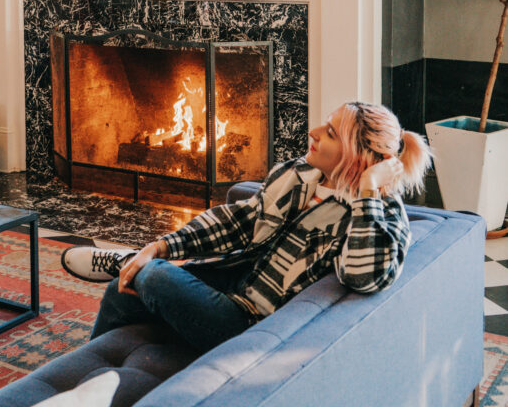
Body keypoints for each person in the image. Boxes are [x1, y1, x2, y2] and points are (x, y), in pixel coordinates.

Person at [61, 101, 432, 353]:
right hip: (227, 283)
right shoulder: (300, 175)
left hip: (248, 323)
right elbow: (242, 220)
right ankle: (75, 391)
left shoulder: (380, 214)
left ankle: (129, 260)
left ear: (365, 157)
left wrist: (368, 188)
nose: (314, 131)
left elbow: (364, 275)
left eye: (331, 133)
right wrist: (160, 245)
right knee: (120, 288)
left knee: (155, 277)